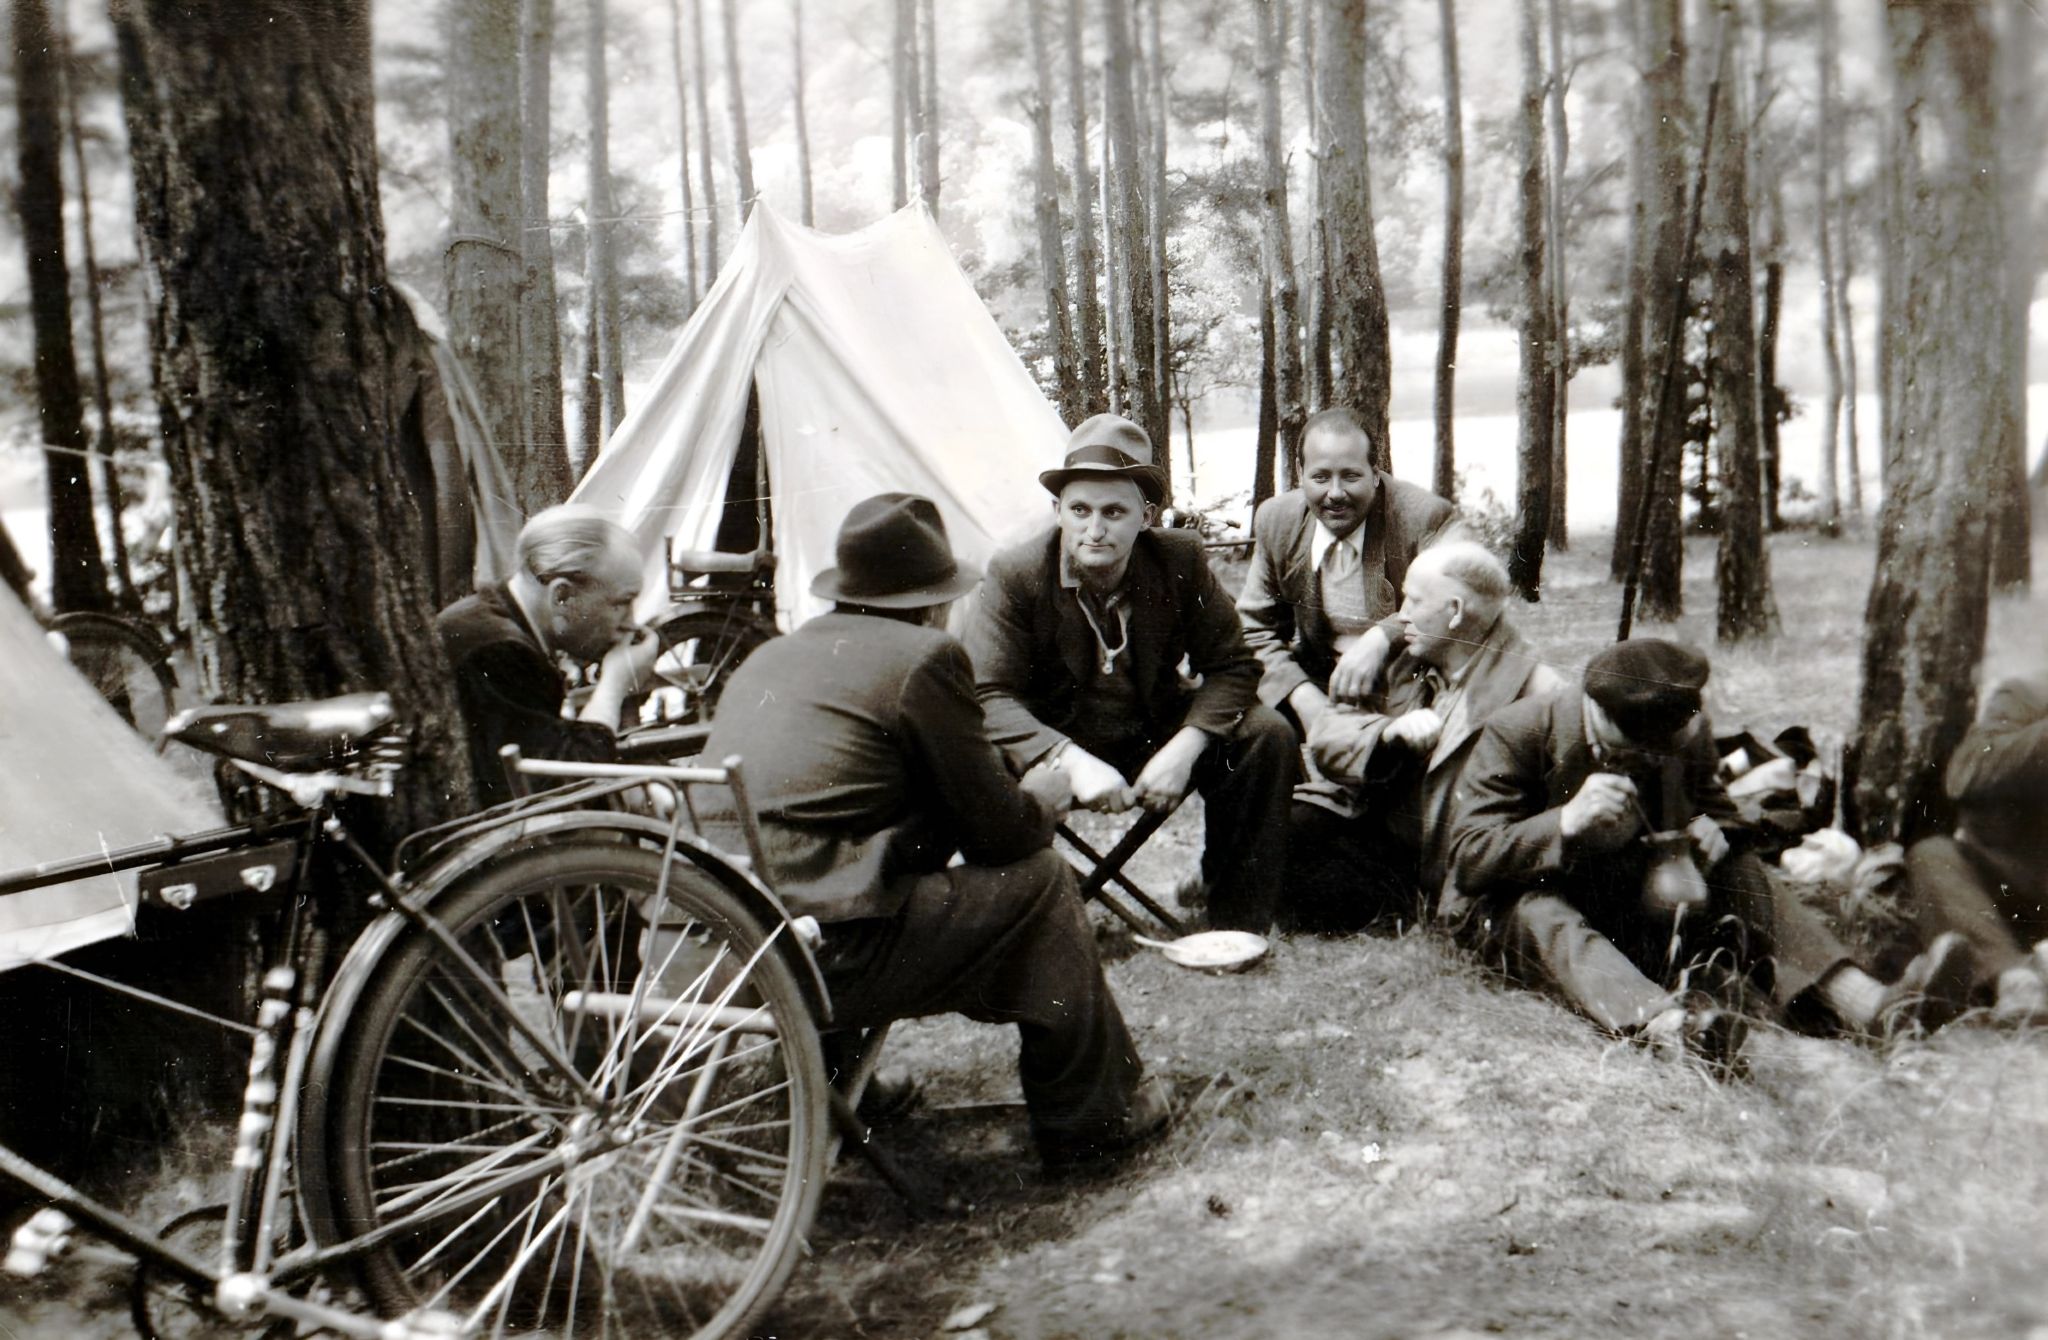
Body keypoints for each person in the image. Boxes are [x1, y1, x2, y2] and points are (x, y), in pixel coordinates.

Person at [698, 492, 1171, 1173]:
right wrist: (1045, 789)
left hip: (716, 944)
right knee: (1041, 884)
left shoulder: (774, 655)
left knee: (839, 866)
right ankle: (1096, 1118)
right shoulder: (926, 656)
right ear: (931, 601)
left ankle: (839, 1084)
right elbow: (1002, 838)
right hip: (814, 959)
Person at [1446, 638, 1978, 1073]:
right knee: (1542, 911)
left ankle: (1873, 1006)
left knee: (1740, 869)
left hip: (1641, 899)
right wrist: (1564, 821)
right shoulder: (1518, 733)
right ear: (1596, 707)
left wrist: (1717, 828)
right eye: (1628, 753)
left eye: (1661, 753)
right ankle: (1672, 1030)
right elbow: (1468, 859)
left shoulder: (1682, 729)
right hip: (1530, 907)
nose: (1647, 764)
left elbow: (1722, 808)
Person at [964, 414, 1295, 933]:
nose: (1094, 529)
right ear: (1057, 512)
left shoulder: (1180, 558)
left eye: (1114, 511)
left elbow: (1233, 665)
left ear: (1146, 516)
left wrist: (1184, 750)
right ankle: (1028, 924)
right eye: (1079, 510)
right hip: (1057, 738)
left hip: (1149, 733)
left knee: (1265, 735)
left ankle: (1237, 925)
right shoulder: (1017, 572)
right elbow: (987, 693)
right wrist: (1065, 759)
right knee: (978, 756)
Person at [1296, 540, 1563, 931]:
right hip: (1388, 835)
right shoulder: (1406, 655)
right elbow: (1328, 734)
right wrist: (1387, 734)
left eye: (1413, 601)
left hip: (1454, 862)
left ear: (1454, 612)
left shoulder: (1540, 692)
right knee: (1286, 827)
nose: (1400, 617)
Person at [1236, 407, 1459, 738]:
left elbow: (1451, 605)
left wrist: (1382, 637)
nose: (1336, 493)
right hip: (1319, 681)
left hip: (1405, 681)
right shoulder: (1277, 520)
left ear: (1375, 472)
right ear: (1299, 472)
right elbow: (1254, 629)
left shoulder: (1422, 516)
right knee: (1239, 718)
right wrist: (1300, 693)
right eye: (1321, 477)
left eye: (1351, 476)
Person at [436, 504, 659, 808]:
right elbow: (564, 789)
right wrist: (614, 686)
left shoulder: (492, 618)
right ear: (562, 596)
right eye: (621, 603)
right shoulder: (499, 651)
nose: (631, 621)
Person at [1905, 671, 2048, 1022]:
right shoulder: (2024, 695)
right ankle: (2013, 981)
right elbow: (1965, 774)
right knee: (1933, 856)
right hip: (2011, 882)